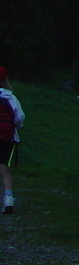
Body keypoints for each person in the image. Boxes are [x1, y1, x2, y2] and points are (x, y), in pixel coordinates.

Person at [0, 66, 25, 214]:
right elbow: (19, 118)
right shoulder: (10, 97)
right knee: (3, 168)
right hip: (7, 139)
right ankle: (8, 198)